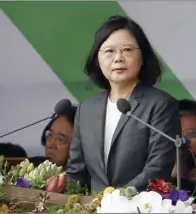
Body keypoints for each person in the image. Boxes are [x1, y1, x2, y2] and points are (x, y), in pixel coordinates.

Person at [66, 15, 181, 192]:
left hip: (140, 206)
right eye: (109, 51)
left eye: (127, 50)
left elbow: (158, 168)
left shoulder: (161, 105)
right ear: (98, 59)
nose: (118, 58)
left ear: (142, 57)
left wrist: (117, 198)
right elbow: (77, 171)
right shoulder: (86, 109)